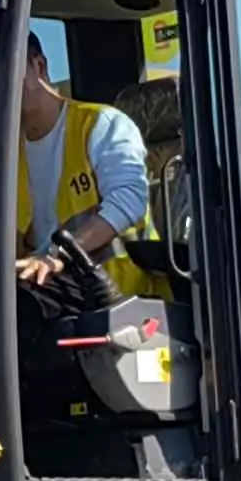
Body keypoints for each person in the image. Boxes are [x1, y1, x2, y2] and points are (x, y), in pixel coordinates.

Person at [15, 34, 152, 296]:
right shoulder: (6, 154)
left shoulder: (101, 125)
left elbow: (130, 199)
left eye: (4, 75)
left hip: (119, 298)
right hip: (53, 294)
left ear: (39, 67)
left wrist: (58, 255)